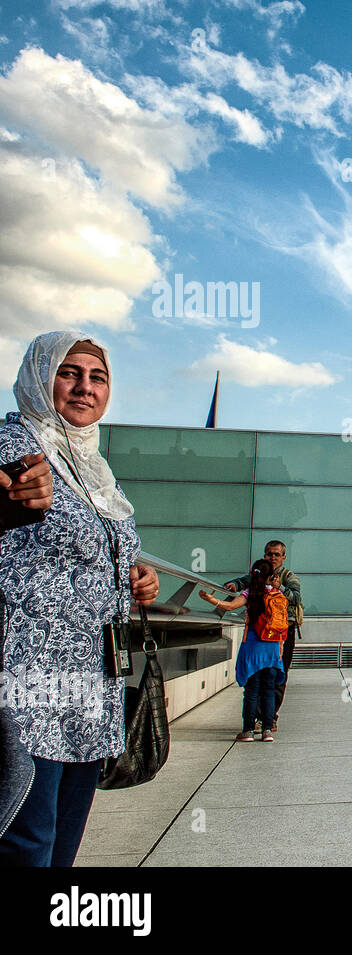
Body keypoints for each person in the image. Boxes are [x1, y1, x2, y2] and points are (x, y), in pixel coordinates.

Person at [0, 333, 160, 867]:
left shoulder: (93, 466)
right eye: (69, 373)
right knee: (27, 839)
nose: (85, 388)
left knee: (64, 843)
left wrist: (136, 575)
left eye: (98, 377)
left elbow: (116, 548)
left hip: (93, 681)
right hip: (30, 680)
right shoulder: (11, 445)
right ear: (41, 377)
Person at [199, 559, 287, 742]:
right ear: (272, 576)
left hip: (253, 648)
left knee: (252, 690)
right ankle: (267, 730)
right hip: (272, 649)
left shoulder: (251, 594)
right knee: (269, 690)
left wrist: (211, 599)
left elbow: (230, 606)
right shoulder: (278, 595)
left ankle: (247, 731)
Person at [224, 541, 301, 732]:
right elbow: (243, 581)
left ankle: (269, 717)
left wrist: (279, 588)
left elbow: (297, 597)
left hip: (282, 632)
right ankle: (260, 718)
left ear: (283, 557)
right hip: (259, 633)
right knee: (257, 675)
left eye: (276, 554)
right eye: (269, 554)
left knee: (277, 675)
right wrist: (233, 585)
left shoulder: (288, 577)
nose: (272, 557)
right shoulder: (259, 573)